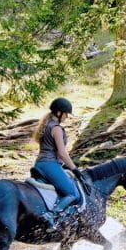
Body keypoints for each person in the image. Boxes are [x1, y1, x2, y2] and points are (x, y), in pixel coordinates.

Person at [33, 97, 80, 229]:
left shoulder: (46, 125)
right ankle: (52, 215)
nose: (66, 117)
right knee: (73, 192)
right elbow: (62, 153)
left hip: (39, 164)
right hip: (49, 164)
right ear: (59, 113)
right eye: (66, 114)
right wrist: (74, 169)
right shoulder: (56, 128)